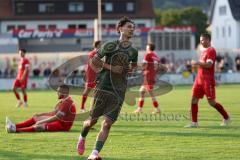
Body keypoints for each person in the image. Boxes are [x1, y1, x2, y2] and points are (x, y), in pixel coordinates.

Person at [76, 17, 138, 160]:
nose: (132, 29)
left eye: (133, 27)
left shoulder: (133, 51)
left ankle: (94, 153)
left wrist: (131, 70)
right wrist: (111, 67)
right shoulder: (110, 45)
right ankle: (82, 136)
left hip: (120, 89)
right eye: (129, 27)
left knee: (108, 123)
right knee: (92, 121)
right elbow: (94, 60)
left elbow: (133, 67)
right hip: (103, 86)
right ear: (120, 28)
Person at [185, 33, 230, 128]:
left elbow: (209, 65)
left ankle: (226, 117)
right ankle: (194, 123)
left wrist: (197, 63)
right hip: (199, 80)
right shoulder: (203, 52)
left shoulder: (211, 51)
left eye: (203, 40)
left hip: (207, 81)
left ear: (209, 40)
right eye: (200, 40)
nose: (201, 42)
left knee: (212, 102)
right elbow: (203, 65)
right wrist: (196, 65)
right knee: (193, 100)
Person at [6, 85, 76, 133]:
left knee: (40, 127)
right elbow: (54, 112)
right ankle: (14, 126)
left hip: (63, 126)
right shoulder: (65, 100)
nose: (57, 93)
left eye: (59, 91)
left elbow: (57, 117)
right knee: (36, 118)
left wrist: (42, 121)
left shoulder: (67, 102)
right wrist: (40, 114)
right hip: (59, 122)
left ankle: (15, 130)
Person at [134, 43, 165, 114]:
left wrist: (136, 67)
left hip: (148, 75)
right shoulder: (155, 56)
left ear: (148, 48)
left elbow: (143, 64)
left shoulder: (148, 55)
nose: (146, 48)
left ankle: (157, 109)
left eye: (146, 47)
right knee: (141, 91)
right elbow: (159, 66)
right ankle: (139, 109)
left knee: (151, 93)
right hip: (151, 75)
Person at [80, 40, 101, 113]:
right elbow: (91, 63)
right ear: (98, 45)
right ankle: (82, 107)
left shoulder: (98, 53)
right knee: (87, 91)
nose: (102, 45)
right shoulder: (93, 53)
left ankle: (93, 108)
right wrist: (98, 70)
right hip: (91, 74)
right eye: (101, 44)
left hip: (96, 74)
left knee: (97, 92)